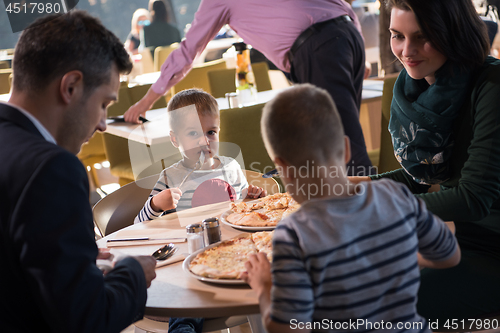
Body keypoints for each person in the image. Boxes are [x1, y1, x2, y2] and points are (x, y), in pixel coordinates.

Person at [241, 84, 460, 333]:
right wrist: (389, 258)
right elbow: (449, 255)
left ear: (282, 169)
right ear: (346, 149)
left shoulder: (293, 234)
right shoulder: (396, 194)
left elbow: (288, 328)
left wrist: (264, 287)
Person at [0, 11, 158, 333]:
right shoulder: (51, 169)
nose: (102, 124)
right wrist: (132, 273)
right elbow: (87, 319)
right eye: (103, 104)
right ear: (71, 86)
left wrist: (76, 260)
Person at [351, 0, 500, 324]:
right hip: (466, 236)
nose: (406, 50)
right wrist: (354, 188)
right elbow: (420, 176)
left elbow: (473, 198)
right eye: (397, 35)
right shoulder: (417, 86)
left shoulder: (492, 85)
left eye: (422, 36)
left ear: (453, 33)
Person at [124, 0, 373, 175]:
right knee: (337, 145)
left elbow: (188, 52)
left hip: (319, 49)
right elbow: (340, 5)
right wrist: (356, 51)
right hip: (346, 35)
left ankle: (383, 228)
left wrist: (146, 102)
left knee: (342, 149)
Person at [135, 88, 266, 223]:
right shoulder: (170, 178)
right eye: (193, 133)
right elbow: (138, 224)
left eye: (211, 132)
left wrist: (252, 200)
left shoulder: (232, 168)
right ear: (175, 139)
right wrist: (155, 205)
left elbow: (242, 211)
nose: (205, 141)